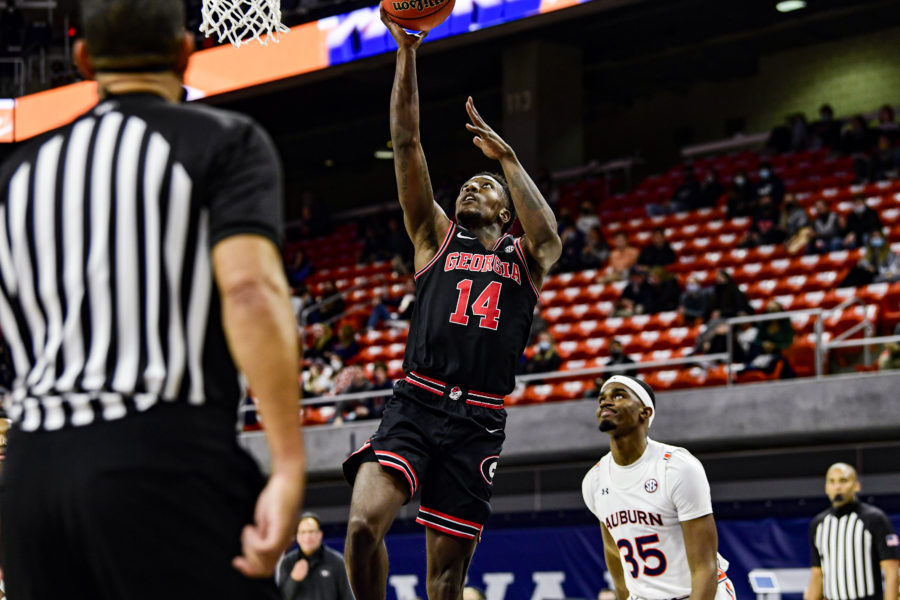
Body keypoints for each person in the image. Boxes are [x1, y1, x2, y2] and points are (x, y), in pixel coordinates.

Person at [0, 1, 306, 598]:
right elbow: (248, 289)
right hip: (159, 457)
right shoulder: (225, 142)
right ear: (185, 50)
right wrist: (288, 461)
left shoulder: (18, 173)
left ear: (84, 59)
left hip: (30, 482)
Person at [342, 11, 562, 600]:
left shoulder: (526, 256)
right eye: (466, 182)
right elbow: (408, 141)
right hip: (417, 401)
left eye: (483, 184)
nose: (470, 185)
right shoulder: (432, 236)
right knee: (363, 526)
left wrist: (509, 161)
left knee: (446, 580)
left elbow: (549, 239)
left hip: (478, 420)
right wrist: (407, 51)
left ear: (504, 208)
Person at [582, 376, 735, 600]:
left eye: (618, 396)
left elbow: (705, 566)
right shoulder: (594, 480)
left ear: (645, 412)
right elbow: (614, 551)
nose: (605, 402)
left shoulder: (677, 467)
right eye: (602, 399)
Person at [805, 463, 898, 600]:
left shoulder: (875, 518)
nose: (837, 487)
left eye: (843, 480)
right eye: (832, 481)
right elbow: (817, 575)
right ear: (826, 488)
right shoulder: (819, 524)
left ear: (856, 485)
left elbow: (892, 570)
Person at [278, 513, 353, 600]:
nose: (307, 537)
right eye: (303, 532)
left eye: (311, 532)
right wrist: (294, 579)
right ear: (297, 536)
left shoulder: (336, 561)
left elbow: (347, 596)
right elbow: (282, 597)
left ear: (320, 535)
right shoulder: (288, 562)